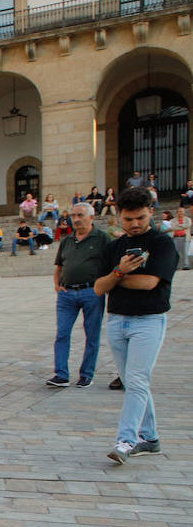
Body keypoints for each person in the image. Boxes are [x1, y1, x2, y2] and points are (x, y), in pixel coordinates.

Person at [95, 186, 178, 464]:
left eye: (140, 218)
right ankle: (150, 438)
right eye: (128, 219)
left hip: (149, 321)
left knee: (137, 380)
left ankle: (126, 441)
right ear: (119, 216)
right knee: (133, 381)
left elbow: (150, 282)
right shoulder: (113, 247)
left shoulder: (161, 243)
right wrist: (120, 271)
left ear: (150, 213)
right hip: (117, 320)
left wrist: (115, 278)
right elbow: (98, 287)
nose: (135, 224)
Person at [47, 203, 109, 389]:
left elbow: (110, 264)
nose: (76, 219)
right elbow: (59, 266)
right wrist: (57, 285)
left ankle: (86, 374)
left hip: (91, 292)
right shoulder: (67, 240)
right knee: (62, 333)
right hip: (67, 293)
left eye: (80, 215)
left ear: (91, 217)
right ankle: (61, 374)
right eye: (73, 215)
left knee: (92, 334)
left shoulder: (101, 238)